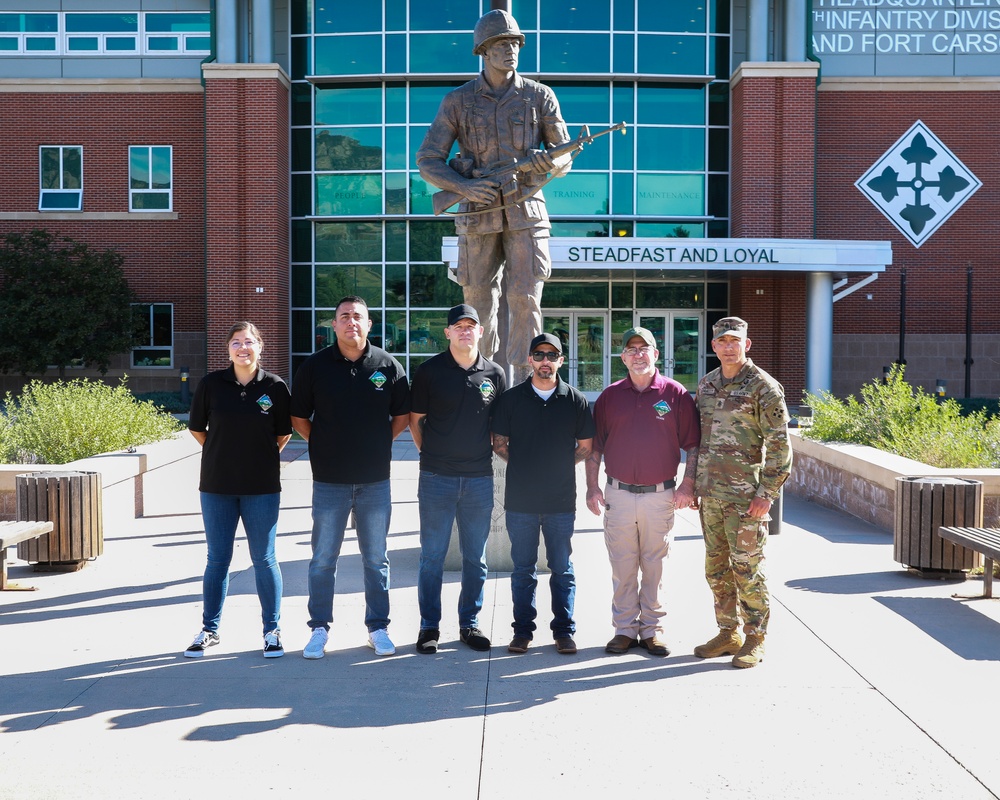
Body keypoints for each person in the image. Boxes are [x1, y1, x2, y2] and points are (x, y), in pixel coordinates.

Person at [416, 9, 572, 372]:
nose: (511, 50)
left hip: (526, 210)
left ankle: (524, 383)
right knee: (478, 302)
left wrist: (547, 163)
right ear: (484, 50)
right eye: (502, 44)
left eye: (515, 43)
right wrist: (465, 187)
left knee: (524, 298)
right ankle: (479, 379)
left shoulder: (539, 96)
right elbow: (428, 159)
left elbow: (564, 156)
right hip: (478, 211)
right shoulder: (458, 101)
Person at [291, 296, 410, 659]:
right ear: (334, 324)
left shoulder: (388, 366)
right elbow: (299, 419)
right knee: (323, 559)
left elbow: (402, 417)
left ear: (369, 324)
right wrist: (325, 444)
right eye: (344, 316)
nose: (351, 322)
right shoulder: (315, 367)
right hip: (329, 481)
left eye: (358, 316)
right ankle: (319, 629)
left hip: (375, 480)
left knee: (376, 559)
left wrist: (376, 443)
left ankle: (378, 628)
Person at [585, 327, 700, 657]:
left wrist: (687, 484)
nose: (638, 354)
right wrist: (592, 488)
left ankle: (652, 629)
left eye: (644, 348)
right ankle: (623, 629)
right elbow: (595, 449)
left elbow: (692, 445)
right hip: (617, 495)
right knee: (622, 565)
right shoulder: (610, 397)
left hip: (659, 495)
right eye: (631, 349)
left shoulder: (675, 394)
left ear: (656, 354)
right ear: (622, 358)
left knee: (655, 565)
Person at [185, 322, 292, 658]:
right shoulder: (211, 384)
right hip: (217, 486)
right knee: (217, 560)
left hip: (262, 488)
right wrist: (224, 453)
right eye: (235, 342)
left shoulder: (275, 387)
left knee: (264, 559)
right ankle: (209, 630)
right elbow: (198, 430)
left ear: (260, 346)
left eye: (248, 342)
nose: (242, 348)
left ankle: (271, 631)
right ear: (227, 348)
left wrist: (256, 457)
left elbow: (283, 434)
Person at [691, 317, 792, 669]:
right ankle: (727, 632)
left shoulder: (763, 386)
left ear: (746, 345)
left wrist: (767, 493)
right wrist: (694, 485)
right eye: (723, 341)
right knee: (716, 568)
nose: (729, 346)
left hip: (747, 498)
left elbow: (780, 446)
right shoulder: (707, 385)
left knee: (747, 569)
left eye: (736, 341)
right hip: (712, 497)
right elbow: (698, 442)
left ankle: (755, 637)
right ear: (714, 346)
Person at [409, 303, 506, 654]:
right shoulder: (430, 371)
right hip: (437, 478)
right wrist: (432, 456)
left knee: (475, 558)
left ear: (481, 332)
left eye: (471, 326)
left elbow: (498, 426)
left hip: (479, 479)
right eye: (458, 326)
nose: (465, 331)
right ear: (447, 332)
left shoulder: (495, 374)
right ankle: (429, 627)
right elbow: (415, 420)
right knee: (431, 556)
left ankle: (470, 624)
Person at [491, 333, 594, 655]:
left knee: (561, 569)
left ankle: (564, 632)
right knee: (523, 569)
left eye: (552, 355)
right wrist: (525, 465)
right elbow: (498, 443)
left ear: (561, 360)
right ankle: (522, 632)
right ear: (531, 360)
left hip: (560, 502)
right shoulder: (511, 399)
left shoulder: (575, 400)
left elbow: (586, 447)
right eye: (539, 354)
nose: (545, 360)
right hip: (521, 501)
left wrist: (559, 464)